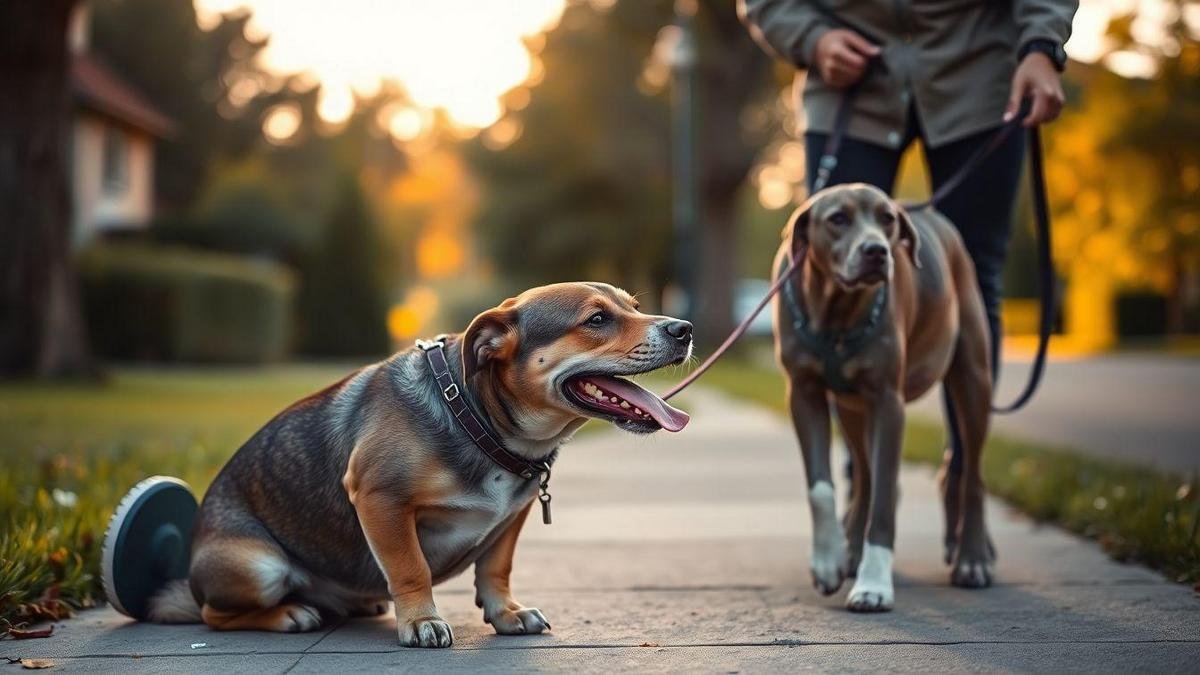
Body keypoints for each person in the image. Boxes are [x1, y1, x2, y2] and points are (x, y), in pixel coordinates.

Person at [737, 0, 1076, 477]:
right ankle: (863, 480)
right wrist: (812, 38)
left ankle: (965, 474)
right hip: (850, 87)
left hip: (978, 78)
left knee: (974, 277)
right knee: (835, 274)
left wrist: (1041, 45)